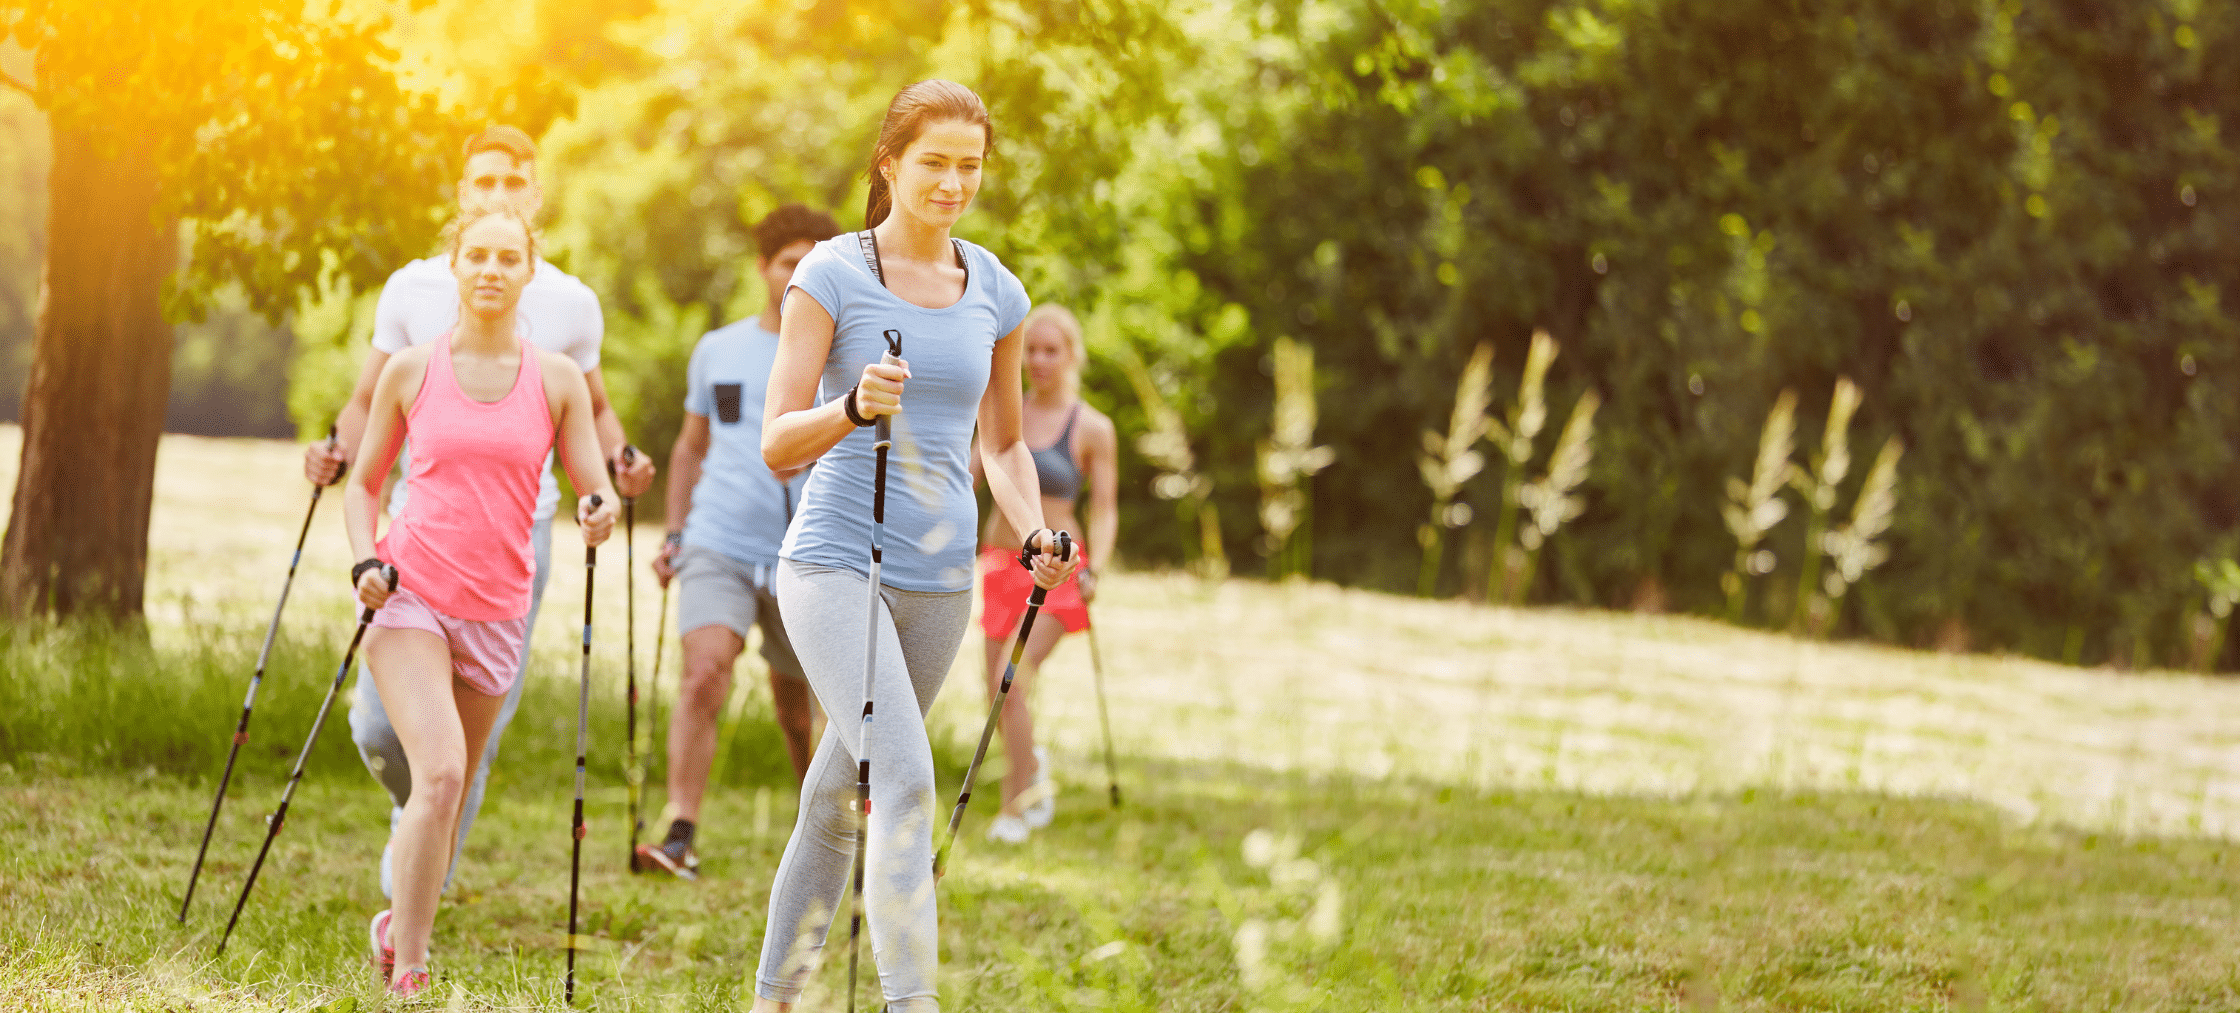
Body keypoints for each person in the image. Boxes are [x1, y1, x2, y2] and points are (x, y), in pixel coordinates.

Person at [752, 80, 1085, 1013]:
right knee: (901, 781)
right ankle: (913, 1002)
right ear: (889, 163)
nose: (951, 182)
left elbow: (1004, 443)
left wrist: (1032, 531)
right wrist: (854, 405)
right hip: (833, 562)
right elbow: (777, 437)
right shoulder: (831, 272)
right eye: (933, 161)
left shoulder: (998, 289)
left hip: (938, 582)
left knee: (833, 796)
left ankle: (773, 999)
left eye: (969, 165)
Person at [302, 126, 655, 932]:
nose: (499, 194)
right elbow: (366, 403)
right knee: (377, 728)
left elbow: (591, 413)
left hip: (515, 543)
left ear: (535, 196)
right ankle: (424, 815)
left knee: (462, 754)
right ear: (462, 195)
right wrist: (337, 452)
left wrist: (617, 470)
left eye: (515, 182)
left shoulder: (569, 302)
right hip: (415, 544)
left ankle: (415, 895)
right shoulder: (410, 289)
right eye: (484, 180)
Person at [344, 205, 620, 995]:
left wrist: (599, 511)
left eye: (508, 257)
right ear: (454, 267)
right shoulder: (412, 369)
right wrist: (365, 556)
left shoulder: (557, 379)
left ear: (529, 270)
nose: (492, 269)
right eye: (477, 256)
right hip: (411, 594)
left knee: (453, 781)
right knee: (437, 774)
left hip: (498, 608)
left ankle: (396, 920)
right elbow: (364, 486)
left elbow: (592, 487)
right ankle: (415, 961)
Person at [637, 204, 842, 879]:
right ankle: (680, 829)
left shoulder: (839, 351)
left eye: (811, 264)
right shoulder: (718, 350)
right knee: (704, 672)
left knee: (798, 706)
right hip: (717, 539)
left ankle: (825, 831)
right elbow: (692, 447)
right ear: (764, 267)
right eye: (787, 263)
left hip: (803, 548)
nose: (796, 277)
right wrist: (675, 530)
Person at [969, 303, 1117, 844]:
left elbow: (1104, 509)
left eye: (1051, 350)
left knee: (1012, 680)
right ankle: (1032, 766)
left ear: (1071, 355)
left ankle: (1016, 803)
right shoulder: (1001, 411)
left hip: (1057, 569)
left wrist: (1095, 567)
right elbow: (968, 479)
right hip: (999, 563)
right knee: (994, 687)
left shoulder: (1093, 427)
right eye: (1031, 349)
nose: (1039, 360)